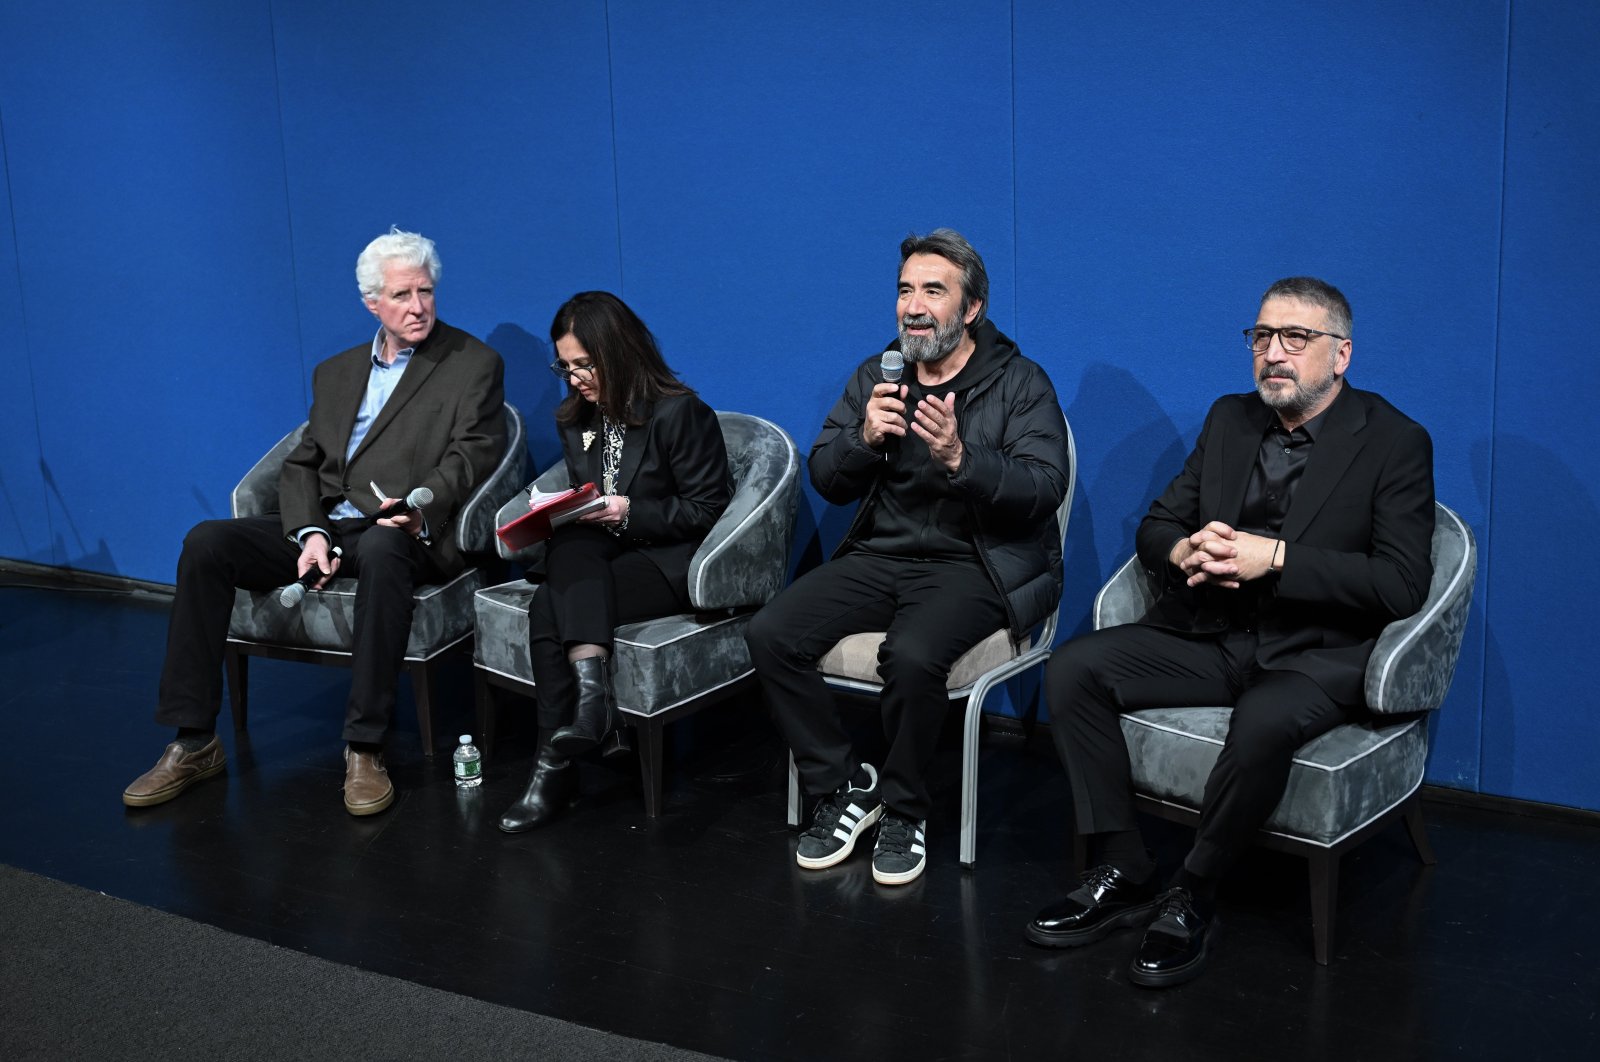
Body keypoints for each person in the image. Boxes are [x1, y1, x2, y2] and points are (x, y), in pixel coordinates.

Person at [1027, 277, 1435, 986]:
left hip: (1313, 654)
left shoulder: (1394, 442)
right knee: (1072, 669)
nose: (1272, 354)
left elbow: (1400, 584)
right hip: (1211, 633)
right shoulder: (1229, 420)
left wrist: (1273, 557)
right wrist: (1184, 551)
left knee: (1261, 722)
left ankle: (1193, 891)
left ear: (1341, 355)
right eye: (1261, 337)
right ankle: (1124, 865)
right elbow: (1158, 525)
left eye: (1294, 339)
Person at [123, 228, 506, 817]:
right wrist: (311, 533)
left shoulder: (471, 363)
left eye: (425, 291)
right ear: (371, 303)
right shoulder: (336, 373)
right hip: (333, 527)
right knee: (207, 543)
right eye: (402, 295)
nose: (418, 306)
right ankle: (193, 739)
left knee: (381, 546)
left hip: (402, 530)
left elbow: (471, 456)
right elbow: (302, 464)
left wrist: (419, 504)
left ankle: (364, 747)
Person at [746, 229, 1071, 886]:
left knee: (914, 655)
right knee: (771, 633)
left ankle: (904, 806)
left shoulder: (1019, 382)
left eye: (932, 290)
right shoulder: (878, 373)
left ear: (971, 308)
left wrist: (961, 458)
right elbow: (828, 477)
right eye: (904, 290)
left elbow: (1043, 487)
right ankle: (845, 787)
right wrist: (864, 438)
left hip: (975, 564)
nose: (913, 306)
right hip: (882, 556)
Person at [496, 292, 732, 833]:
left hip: (666, 563)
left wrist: (625, 510)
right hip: (601, 557)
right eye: (566, 366)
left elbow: (705, 510)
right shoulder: (578, 418)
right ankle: (591, 718)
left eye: (586, 364)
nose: (575, 377)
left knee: (547, 609)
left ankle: (555, 765)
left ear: (620, 352)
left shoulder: (680, 412)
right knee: (568, 549)